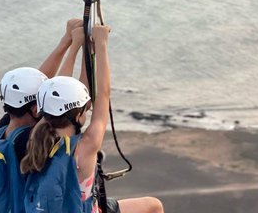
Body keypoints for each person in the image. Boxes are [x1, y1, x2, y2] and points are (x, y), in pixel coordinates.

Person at [21, 25, 164, 213]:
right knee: (153, 206)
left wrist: (83, 47)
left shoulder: (36, 137)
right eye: (85, 109)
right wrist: (101, 44)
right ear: (78, 116)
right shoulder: (86, 146)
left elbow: (57, 91)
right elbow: (103, 94)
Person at [0, 19, 83, 213]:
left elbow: (38, 84)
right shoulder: (30, 141)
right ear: (36, 110)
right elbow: (61, 94)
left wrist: (66, 40)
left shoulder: (2, 131)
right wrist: (76, 48)